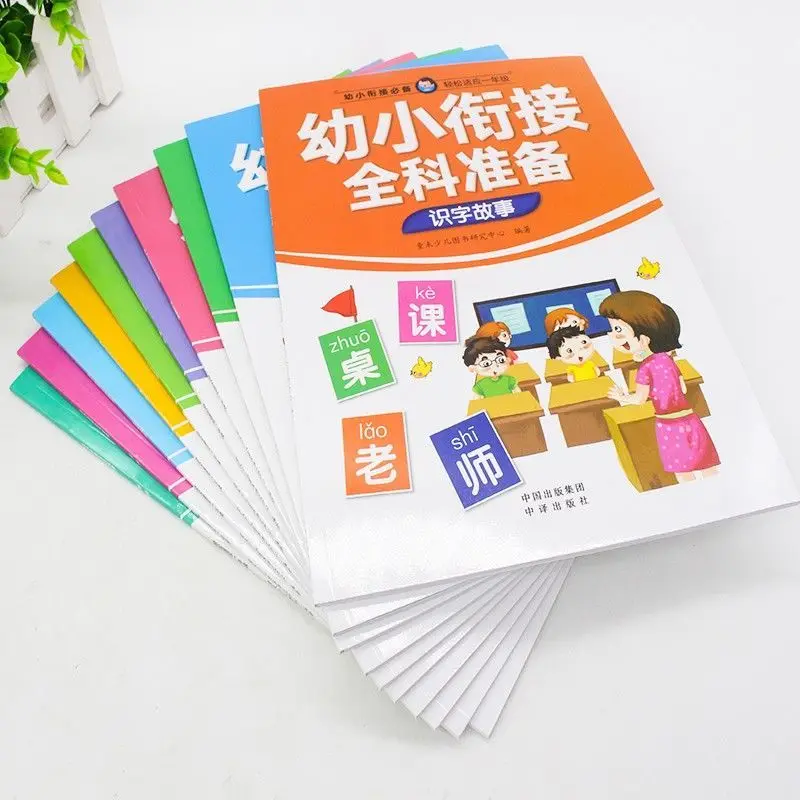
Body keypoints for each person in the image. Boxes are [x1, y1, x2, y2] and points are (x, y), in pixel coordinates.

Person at [599, 290, 720, 482]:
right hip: (691, 420)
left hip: (669, 426)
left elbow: (639, 399)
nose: (612, 336)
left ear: (643, 339)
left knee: (684, 473)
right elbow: (682, 388)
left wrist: (621, 396)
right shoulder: (667, 359)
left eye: (618, 330)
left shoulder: (645, 368)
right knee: (708, 468)